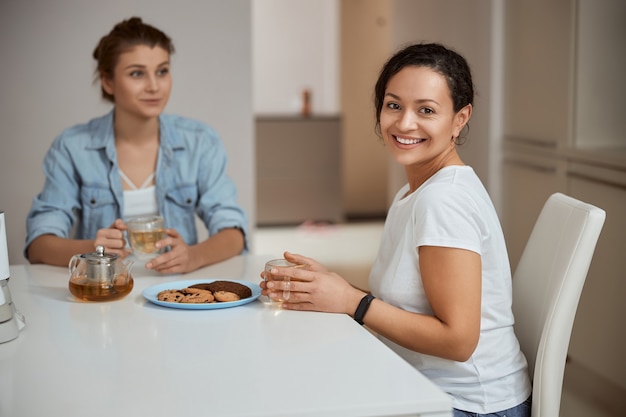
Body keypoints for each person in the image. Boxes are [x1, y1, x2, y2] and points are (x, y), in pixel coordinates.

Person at [260, 43, 532, 416]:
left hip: (468, 406)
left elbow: (459, 341)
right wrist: (334, 287)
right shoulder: (415, 190)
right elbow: (409, 304)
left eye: (426, 110)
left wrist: (352, 302)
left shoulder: (443, 201)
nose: (405, 123)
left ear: (460, 118)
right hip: (426, 388)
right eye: (394, 105)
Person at [25, 17, 248, 274]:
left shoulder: (200, 141)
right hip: (103, 296)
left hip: (176, 293)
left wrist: (194, 257)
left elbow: (234, 233)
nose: (154, 86)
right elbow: (38, 246)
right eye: (137, 73)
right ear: (108, 82)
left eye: (162, 71)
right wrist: (93, 250)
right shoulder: (72, 147)